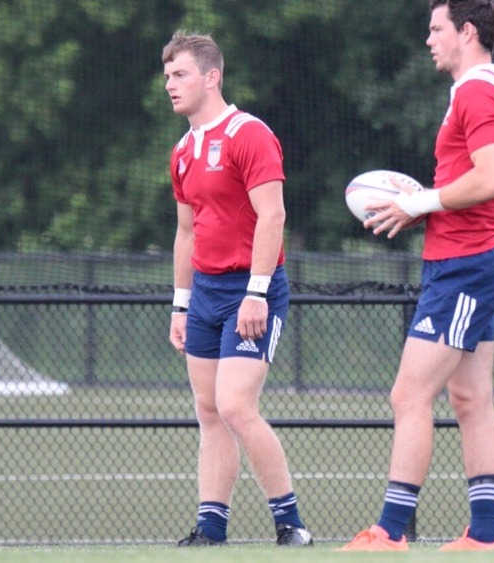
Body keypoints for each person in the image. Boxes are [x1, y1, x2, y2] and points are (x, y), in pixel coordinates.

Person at [340, 0, 494, 552]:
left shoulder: (477, 92)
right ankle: (484, 536)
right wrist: (426, 205)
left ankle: (391, 531)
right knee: (471, 399)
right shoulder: (482, 92)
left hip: (464, 267)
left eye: (436, 29)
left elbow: (492, 178)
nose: (428, 40)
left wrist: (423, 202)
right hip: (467, 260)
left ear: (466, 32)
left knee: (409, 395)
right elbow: (481, 178)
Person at [162, 30, 313, 548]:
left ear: (212, 77)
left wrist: (256, 292)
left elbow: (274, 215)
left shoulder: (249, 134)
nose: (170, 85)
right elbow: (186, 233)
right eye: (166, 76)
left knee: (234, 405)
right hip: (203, 293)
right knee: (209, 411)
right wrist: (180, 306)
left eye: (180, 74)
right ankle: (211, 528)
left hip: (253, 290)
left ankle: (290, 523)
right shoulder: (183, 150)